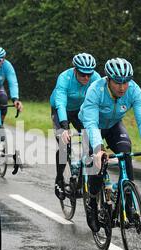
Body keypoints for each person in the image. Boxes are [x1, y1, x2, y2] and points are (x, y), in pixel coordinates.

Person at [78, 58, 141, 232]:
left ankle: (128, 203)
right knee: (97, 164)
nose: (122, 87)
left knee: (125, 153)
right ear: (108, 79)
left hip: (114, 125)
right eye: (117, 82)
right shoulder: (95, 90)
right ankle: (92, 202)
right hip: (93, 126)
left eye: (126, 82)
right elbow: (91, 122)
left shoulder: (134, 90)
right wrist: (99, 149)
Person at [50, 53, 101, 200]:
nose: (86, 78)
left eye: (89, 74)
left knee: (89, 139)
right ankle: (59, 179)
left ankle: (82, 180)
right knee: (64, 144)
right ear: (75, 70)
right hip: (61, 110)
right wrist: (65, 128)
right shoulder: (64, 78)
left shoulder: (96, 78)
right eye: (82, 74)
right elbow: (60, 103)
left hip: (80, 111)